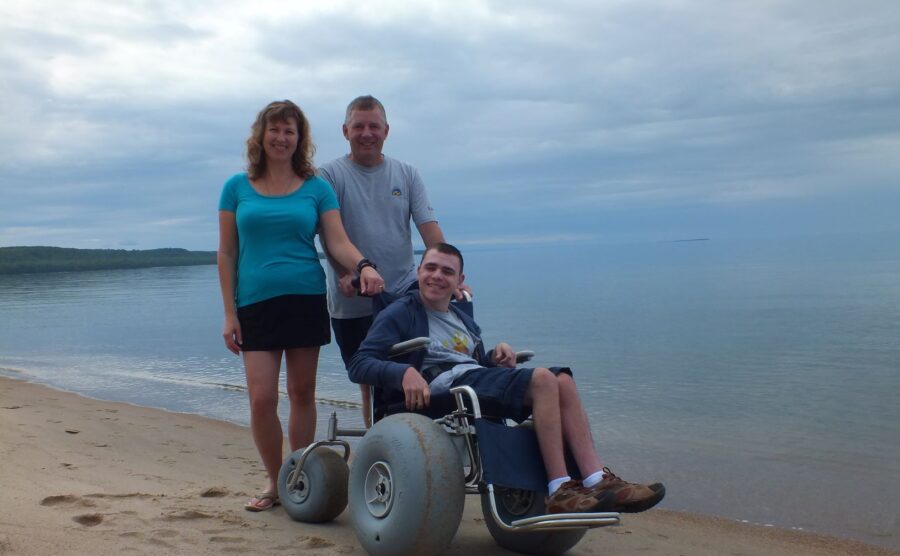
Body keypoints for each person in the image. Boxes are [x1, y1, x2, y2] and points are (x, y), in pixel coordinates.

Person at [348, 243, 666, 515]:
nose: (437, 276)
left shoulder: (462, 320)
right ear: (418, 272)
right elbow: (359, 363)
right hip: (439, 388)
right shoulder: (401, 312)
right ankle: (560, 489)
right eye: (430, 267)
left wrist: (495, 357)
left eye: (447, 272)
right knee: (542, 379)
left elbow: (474, 365)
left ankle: (597, 479)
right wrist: (402, 372)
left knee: (563, 380)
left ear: (460, 280)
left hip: (470, 378)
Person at [218, 100, 385, 513]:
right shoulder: (236, 187)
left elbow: (338, 242)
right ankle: (275, 480)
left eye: (289, 131)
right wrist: (228, 313)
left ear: (299, 138)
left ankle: (299, 476)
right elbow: (226, 253)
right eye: (274, 130)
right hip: (254, 301)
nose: (281, 138)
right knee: (261, 398)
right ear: (261, 136)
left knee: (302, 392)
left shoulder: (317, 187)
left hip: (305, 297)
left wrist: (362, 265)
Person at [319, 95, 455, 426]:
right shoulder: (329, 175)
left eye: (374, 126)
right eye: (359, 126)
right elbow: (329, 234)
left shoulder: (407, 174)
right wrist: (345, 272)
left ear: (386, 131)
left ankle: (421, 433)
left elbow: (429, 230)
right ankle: (376, 438)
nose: (367, 133)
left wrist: (454, 274)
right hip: (352, 296)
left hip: (403, 290)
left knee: (417, 363)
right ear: (345, 130)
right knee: (368, 377)